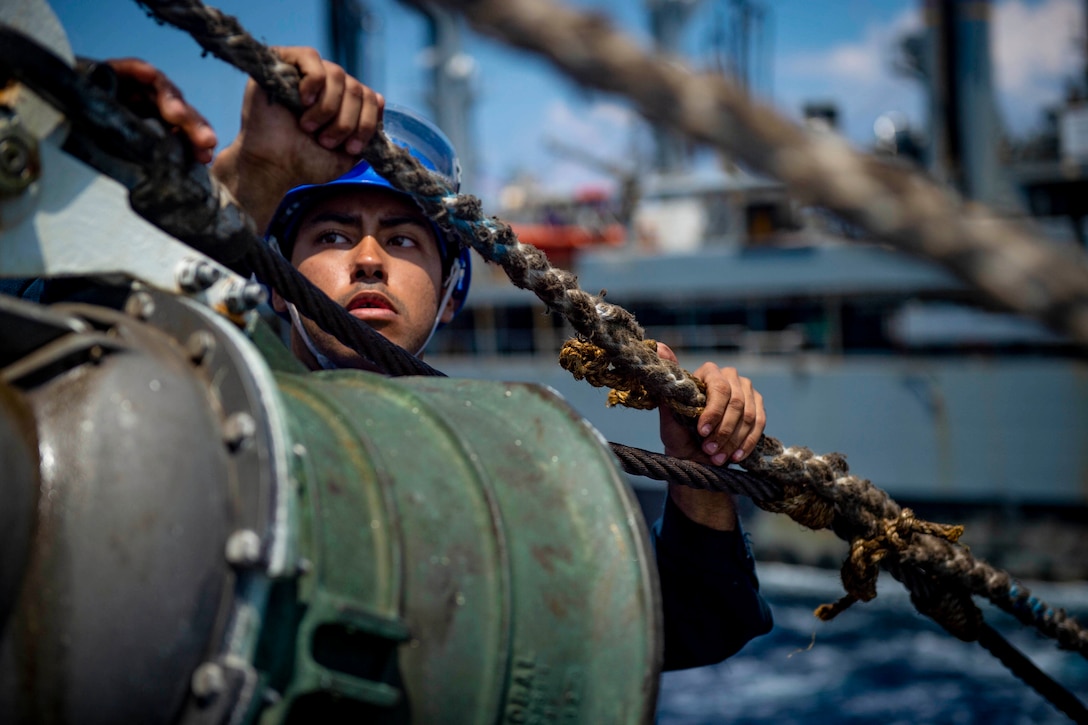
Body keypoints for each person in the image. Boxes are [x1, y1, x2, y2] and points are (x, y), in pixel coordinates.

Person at [19, 48, 774, 670]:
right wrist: (255, 175)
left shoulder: (506, 466)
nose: (371, 259)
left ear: (449, 297)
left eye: (405, 240)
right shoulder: (192, 400)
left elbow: (676, 629)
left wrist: (699, 475)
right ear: (277, 286)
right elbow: (57, 322)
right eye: (333, 235)